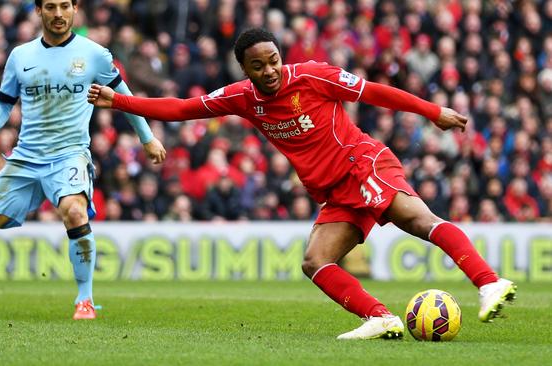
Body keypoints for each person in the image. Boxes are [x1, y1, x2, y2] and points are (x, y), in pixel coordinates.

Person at [87, 28, 517, 339]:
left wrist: (432, 111)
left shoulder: (313, 75)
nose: (270, 70)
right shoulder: (243, 97)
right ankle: (380, 318)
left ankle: (488, 281)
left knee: (416, 220)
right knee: (314, 262)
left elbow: (375, 93)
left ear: (280, 55)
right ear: (245, 69)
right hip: (333, 191)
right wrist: (117, 99)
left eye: (273, 60)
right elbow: (182, 108)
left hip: (362, 164)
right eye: (258, 65)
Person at [0, 0, 166, 320]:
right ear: (39, 11)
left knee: (74, 210)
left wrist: (147, 138)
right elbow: (3, 102)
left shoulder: (95, 54)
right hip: (26, 159)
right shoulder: (21, 56)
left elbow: (124, 98)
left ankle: (85, 300)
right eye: (51, 7)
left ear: (75, 8)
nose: (58, 14)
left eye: (65, 6)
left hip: (69, 155)